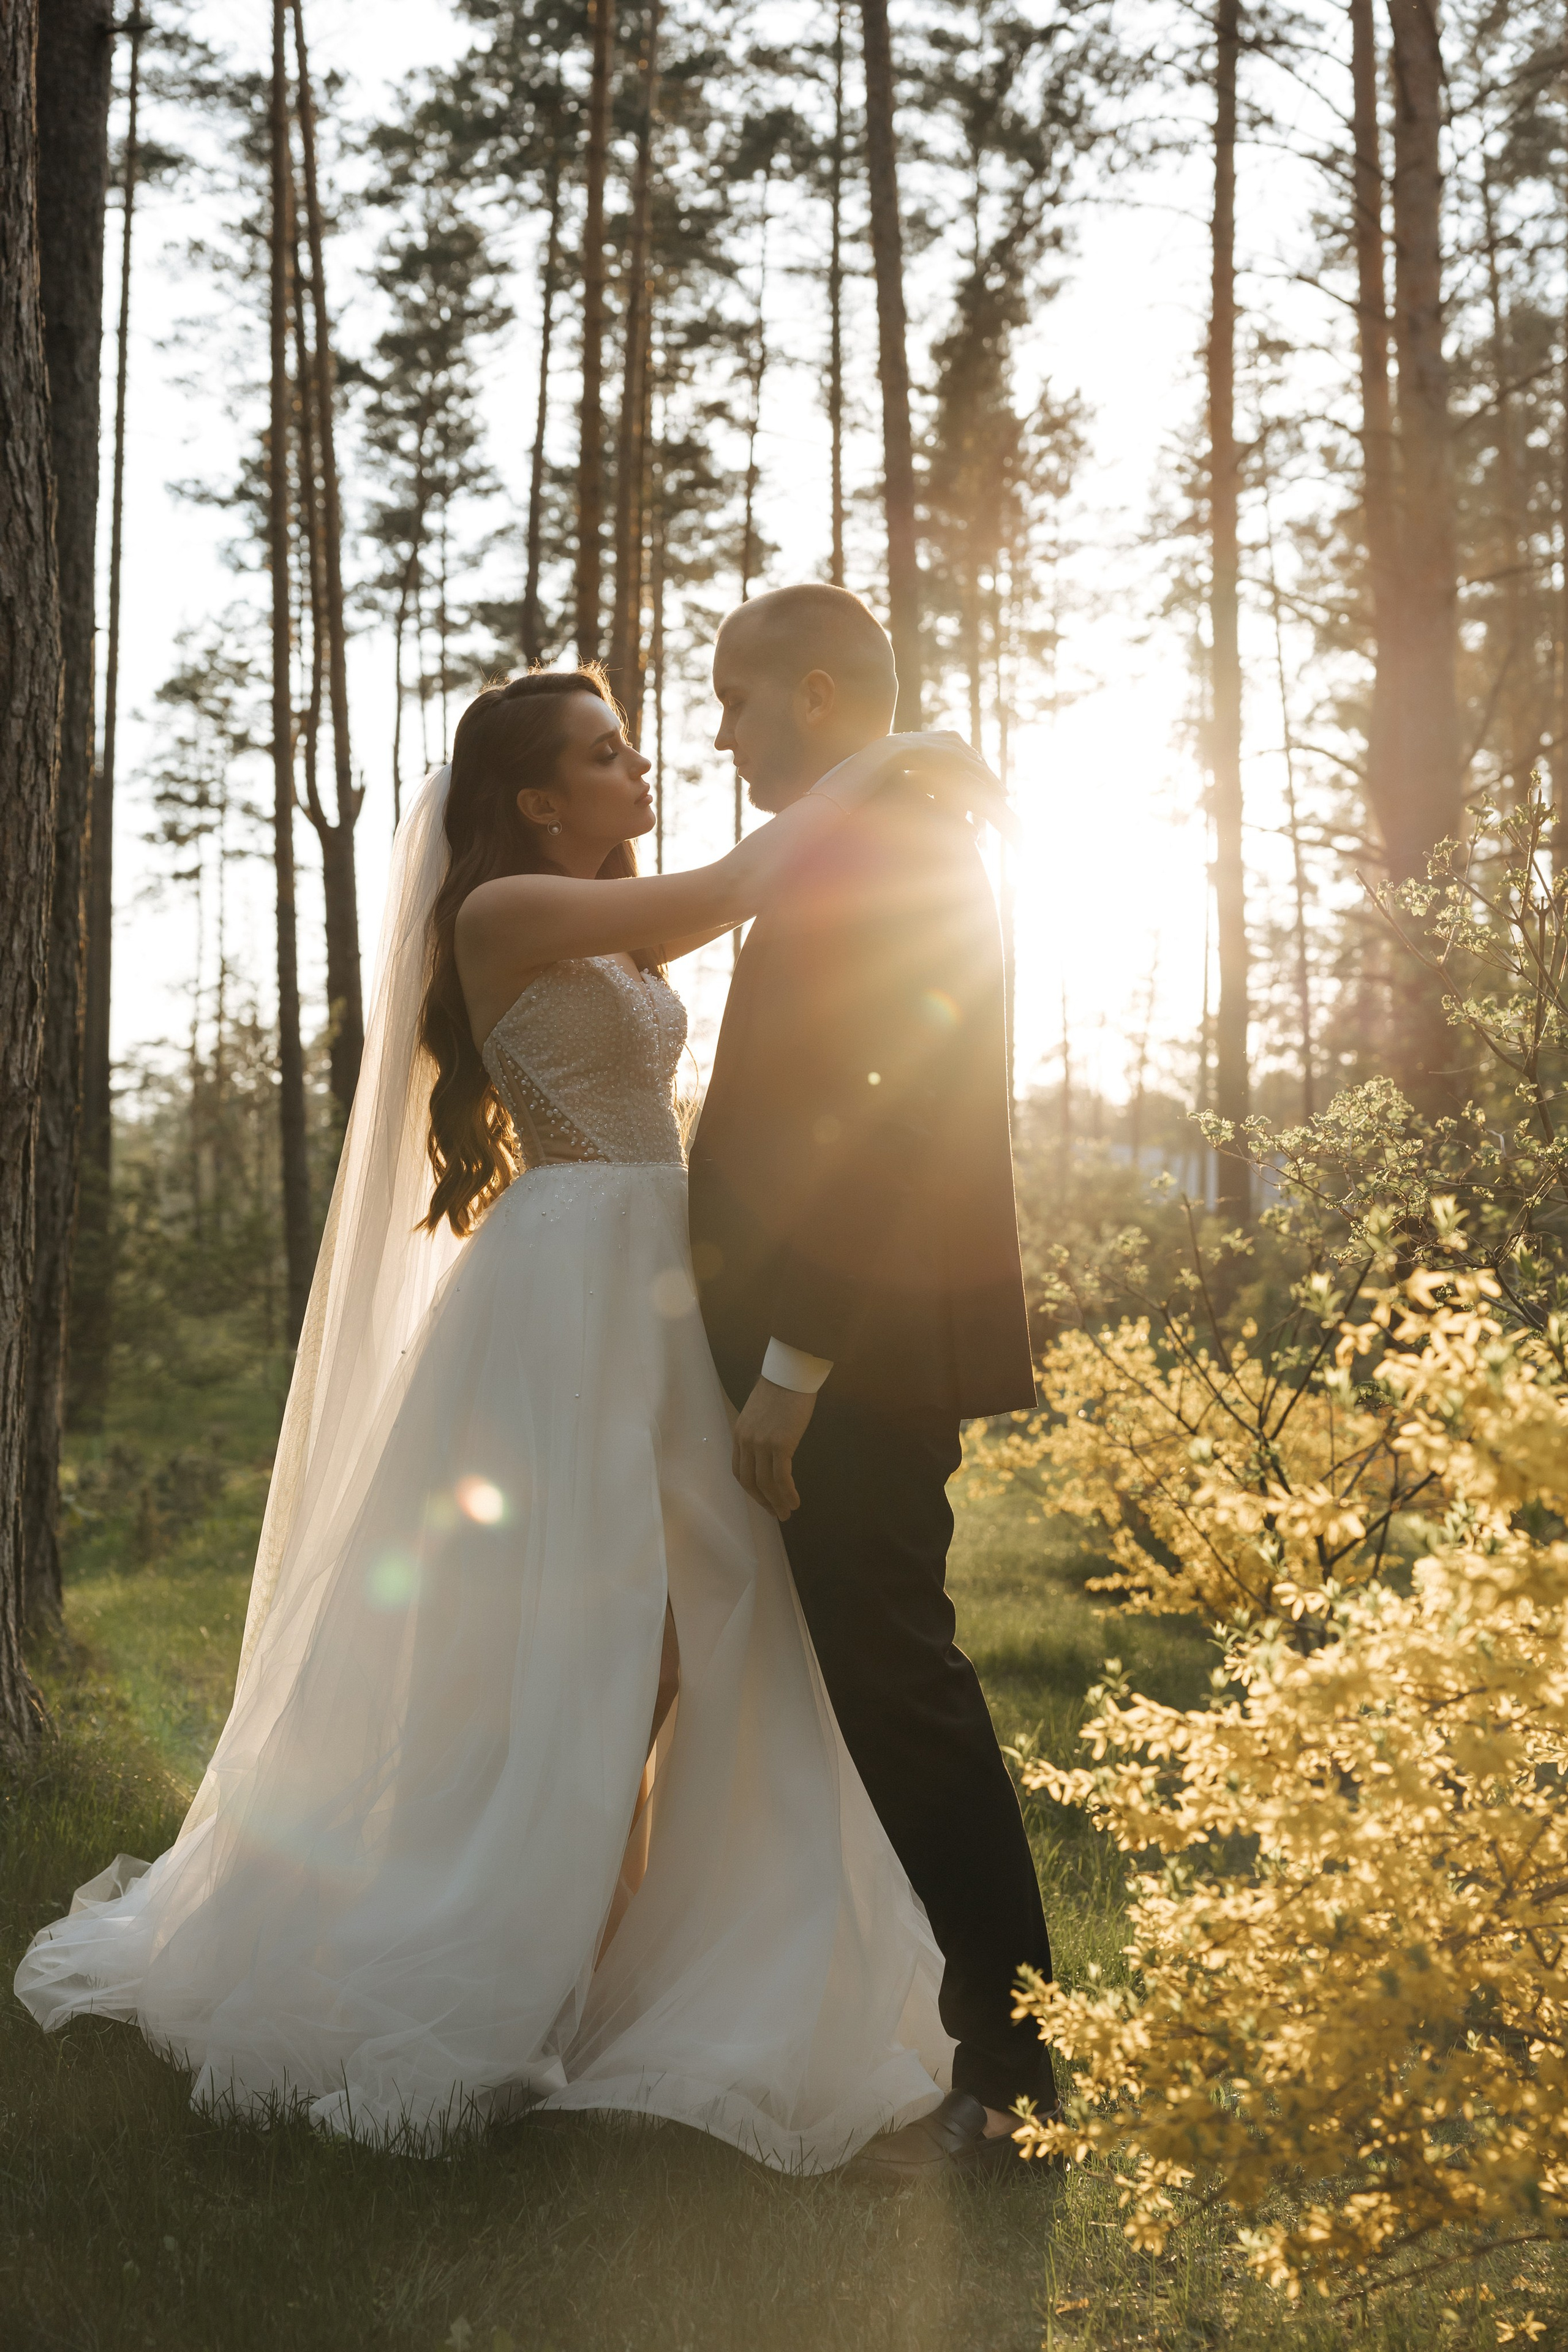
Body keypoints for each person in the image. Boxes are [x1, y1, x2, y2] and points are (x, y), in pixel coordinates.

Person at [13, 667, 999, 2168]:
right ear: (536, 799)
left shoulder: (595, 911)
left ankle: (592, 1953)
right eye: (604, 756)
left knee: (683, 1636)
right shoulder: (502, 915)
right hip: (571, 1292)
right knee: (584, 1639)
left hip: (658, 1280)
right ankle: (499, 1961)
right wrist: (904, 753)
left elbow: (725, 906)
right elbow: (744, 877)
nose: (640, 762)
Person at [688, 586, 1060, 2183]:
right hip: (813, 1354)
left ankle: (1023, 2049)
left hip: (848, 1361)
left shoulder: (895, 842)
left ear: (820, 691)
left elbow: (885, 1120)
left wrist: (792, 1366)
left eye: (738, 701)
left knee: (899, 1679)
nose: (720, 734)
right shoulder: (887, 824)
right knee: (862, 1677)